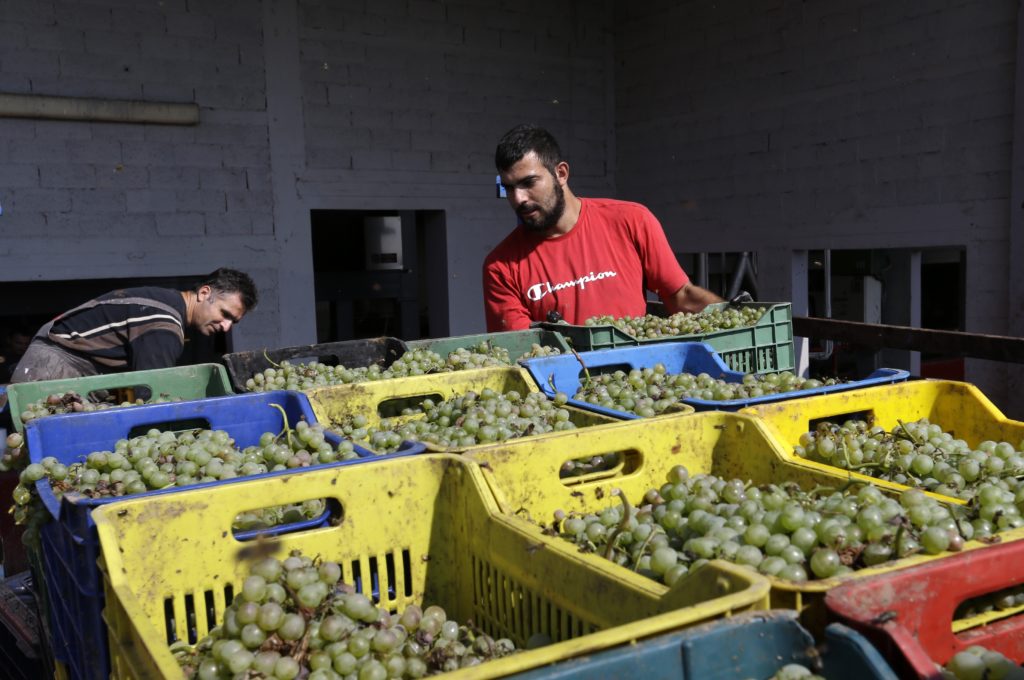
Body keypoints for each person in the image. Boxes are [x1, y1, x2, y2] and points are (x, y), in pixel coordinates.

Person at [483, 124, 722, 331]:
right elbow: (520, 351)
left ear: (561, 173)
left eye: (528, 183)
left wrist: (741, 318)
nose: (519, 198)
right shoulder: (501, 267)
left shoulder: (630, 221)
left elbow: (681, 297)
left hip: (642, 379)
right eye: (509, 188)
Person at [9, 268, 258, 384]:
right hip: (50, 374)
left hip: (58, 370)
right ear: (204, 293)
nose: (226, 327)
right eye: (225, 314)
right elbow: (149, 392)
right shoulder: (164, 324)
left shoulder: (163, 303)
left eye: (233, 322)